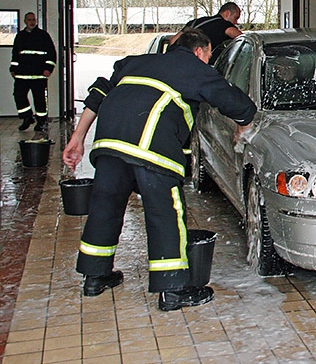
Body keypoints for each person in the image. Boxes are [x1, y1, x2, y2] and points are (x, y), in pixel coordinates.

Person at [62, 28, 256, 312]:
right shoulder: (193, 66)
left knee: (106, 205)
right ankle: (173, 290)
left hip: (110, 142)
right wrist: (243, 127)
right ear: (201, 52)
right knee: (165, 212)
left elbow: (98, 94)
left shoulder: (134, 62)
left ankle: (96, 276)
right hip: (150, 146)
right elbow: (235, 102)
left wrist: (77, 138)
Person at [10, 12, 57, 132]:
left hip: (38, 74)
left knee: (39, 99)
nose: (32, 22)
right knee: (18, 95)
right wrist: (13, 69)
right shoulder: (20, 36)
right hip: (22, 74)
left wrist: (48, 68)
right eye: (29, 20)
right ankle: (27, 117)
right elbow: (15, 54)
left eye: (33, 20)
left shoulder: (43, 35)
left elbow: (52, 53)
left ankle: (41, 122)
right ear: (25, 21)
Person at [170, 2, 242, 63]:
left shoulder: (196, 22)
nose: (236, 22)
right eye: (236, 18)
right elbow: (240, 37)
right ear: (227, 13)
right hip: (194, 64)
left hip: (174, 59)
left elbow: (172, 40)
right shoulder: (224, 24)